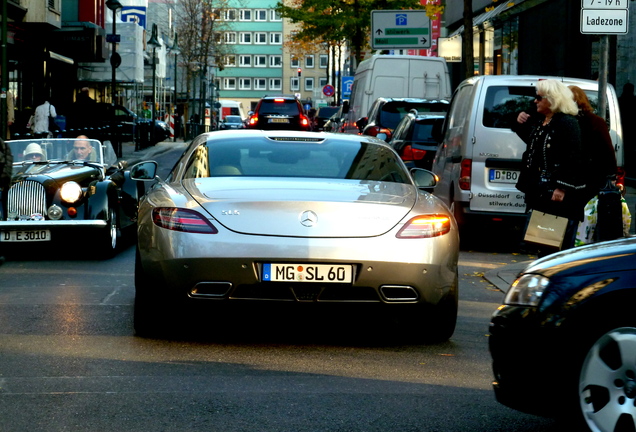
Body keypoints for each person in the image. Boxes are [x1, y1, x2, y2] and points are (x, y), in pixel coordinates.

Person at [513, 79, 586, 252]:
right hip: (540, 192)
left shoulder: (567, 123)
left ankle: (555, 275)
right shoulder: (543, 122)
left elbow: (573, 158)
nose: (535, 101)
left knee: (555, 243)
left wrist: (562, 187)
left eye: (539, 97)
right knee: (541, 242)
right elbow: (529, 139)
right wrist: (519, 118)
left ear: (553, 99)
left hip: (556, 195)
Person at [569, 85, 617, 200]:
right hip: (576, 177)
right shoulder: (564, 120)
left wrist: (611, 175)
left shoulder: (594, 121)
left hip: (591, 177)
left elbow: (607, 150)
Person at [0, 137, 13, 265]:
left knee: (2, 217)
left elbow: (8, 164)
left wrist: (4, 179)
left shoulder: (3, 146)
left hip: (2, 186)